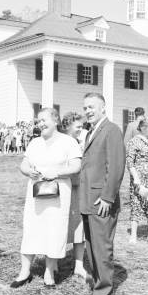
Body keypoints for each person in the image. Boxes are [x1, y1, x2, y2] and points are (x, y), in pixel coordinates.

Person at [12, 108, 82, 288]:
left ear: (56, 120)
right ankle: (24, 271)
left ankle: (49, 271)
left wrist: (56, 172)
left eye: (44, 120)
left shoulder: (68, 142)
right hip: (35, 193)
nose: (40, 123)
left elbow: (76, 166)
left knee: (55, 230)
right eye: (38, 121)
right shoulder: (34, 142)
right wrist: (28, 171)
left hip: (58, 195)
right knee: (31, 229)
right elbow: (24, 163)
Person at [78, 93, 125, 295]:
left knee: (102, 247)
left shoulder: (112, 130)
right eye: (85, 107)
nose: (88, 111)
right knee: (92, 246)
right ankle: (99, 286)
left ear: (103, 108)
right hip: (89, 200)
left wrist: (107, 198)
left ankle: (104, 294)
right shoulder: (91, 132)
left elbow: (115, 167)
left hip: (101, 202)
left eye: (92, 107)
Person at [61, 111, 89, 278]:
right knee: (60, 225)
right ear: (67, 126)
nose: (81, 128)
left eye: (81, 126)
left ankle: (78, 265)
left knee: (79, 227)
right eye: (77, 126)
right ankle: (54, 263)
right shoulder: (59, 142)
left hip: (79, 189)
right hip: (63, 187)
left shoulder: (81, 142)